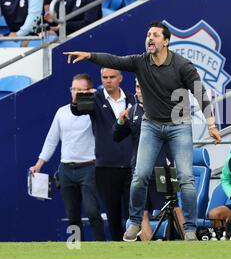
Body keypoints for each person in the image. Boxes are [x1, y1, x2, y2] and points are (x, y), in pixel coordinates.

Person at [63, 20, 221, 241]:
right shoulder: (140, 62)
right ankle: (135, 222)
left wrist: (211, 125)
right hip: (151, 125)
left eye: (155, 35)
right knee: (140, 176)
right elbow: (114, 60)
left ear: (166, 41)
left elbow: (199, 92)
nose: (150, 38)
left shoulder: (182, 65)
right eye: (148, 34)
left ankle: (191, 229)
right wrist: (89, 55)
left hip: (179, 125)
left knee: (186, 178)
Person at [29, 73, 105, 241]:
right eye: (73, 89)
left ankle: (102, 249)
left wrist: (96, 97)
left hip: (89, 168)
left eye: (80, 89)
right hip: (66, 170)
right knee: (72, 215)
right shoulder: (61, 112)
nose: (76, 93)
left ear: (89, 90)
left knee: (93, 212)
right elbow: (51, 139)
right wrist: (38, 164)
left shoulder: (96, 111)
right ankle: (75, 251)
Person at [113, 78, 183, 241]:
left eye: (142, 87)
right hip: (139, 169)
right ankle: (150, 250)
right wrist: (120, 121)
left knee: (173, 208)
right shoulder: (132, 111)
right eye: (137, 86)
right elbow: (116, 136)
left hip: (163, 168)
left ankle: (190, 243)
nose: (138, 90)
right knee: (141, 211)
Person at [71, 67, 135, 241]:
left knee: (134, 213)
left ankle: (137, 251)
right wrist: (80, 96)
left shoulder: (132, 98)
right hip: (106, 167)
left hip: (131, 165)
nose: (108, 80)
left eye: (112, 77)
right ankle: (116, 249)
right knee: (113, 214)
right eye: (104, 77)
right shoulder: (95, 98)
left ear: (120, 78)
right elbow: (77, 110)